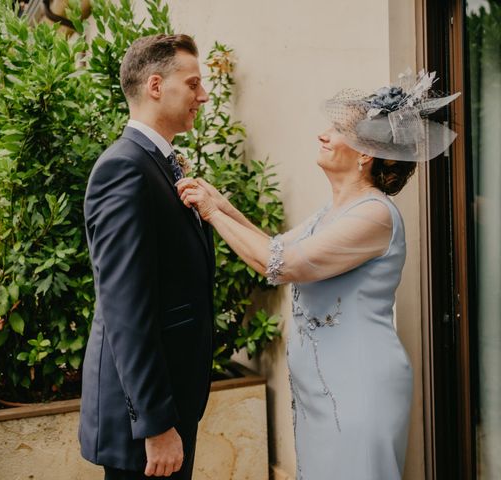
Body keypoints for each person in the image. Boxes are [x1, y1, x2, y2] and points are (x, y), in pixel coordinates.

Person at [177, 71, 459, 479]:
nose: (323, 135)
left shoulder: (376, 214)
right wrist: (222, 204)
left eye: (337, 129)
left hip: (358, 387)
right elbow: (277, 247)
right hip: (319, 391)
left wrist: (211, 212)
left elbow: (279, 266)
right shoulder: (331, 213)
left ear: (366, 153)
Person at [80, 34, 214, 480]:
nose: (203, 94)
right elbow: (125, 308)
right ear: (156, 86)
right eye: (193, 83)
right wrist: (155, 424)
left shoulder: (158, 163)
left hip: (173, 398)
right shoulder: (124, 169)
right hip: (145, 421)